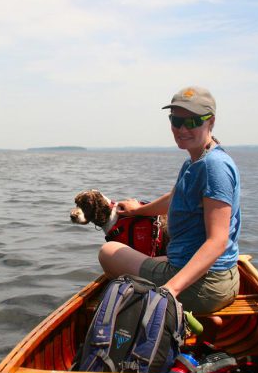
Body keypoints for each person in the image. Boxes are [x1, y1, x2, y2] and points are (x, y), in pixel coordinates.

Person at [98, 86, 241, 318]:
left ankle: (177, 309)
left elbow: (218, 240)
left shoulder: (213, 167)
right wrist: (138, 211)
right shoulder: (195, 162)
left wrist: (170, 290)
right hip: (217, 279)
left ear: (210, 122)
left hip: (207, 285)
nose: (182, 128)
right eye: (176, 120)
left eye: (193, 121)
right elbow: (175, 199)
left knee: (108, 251)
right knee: (149, 257)